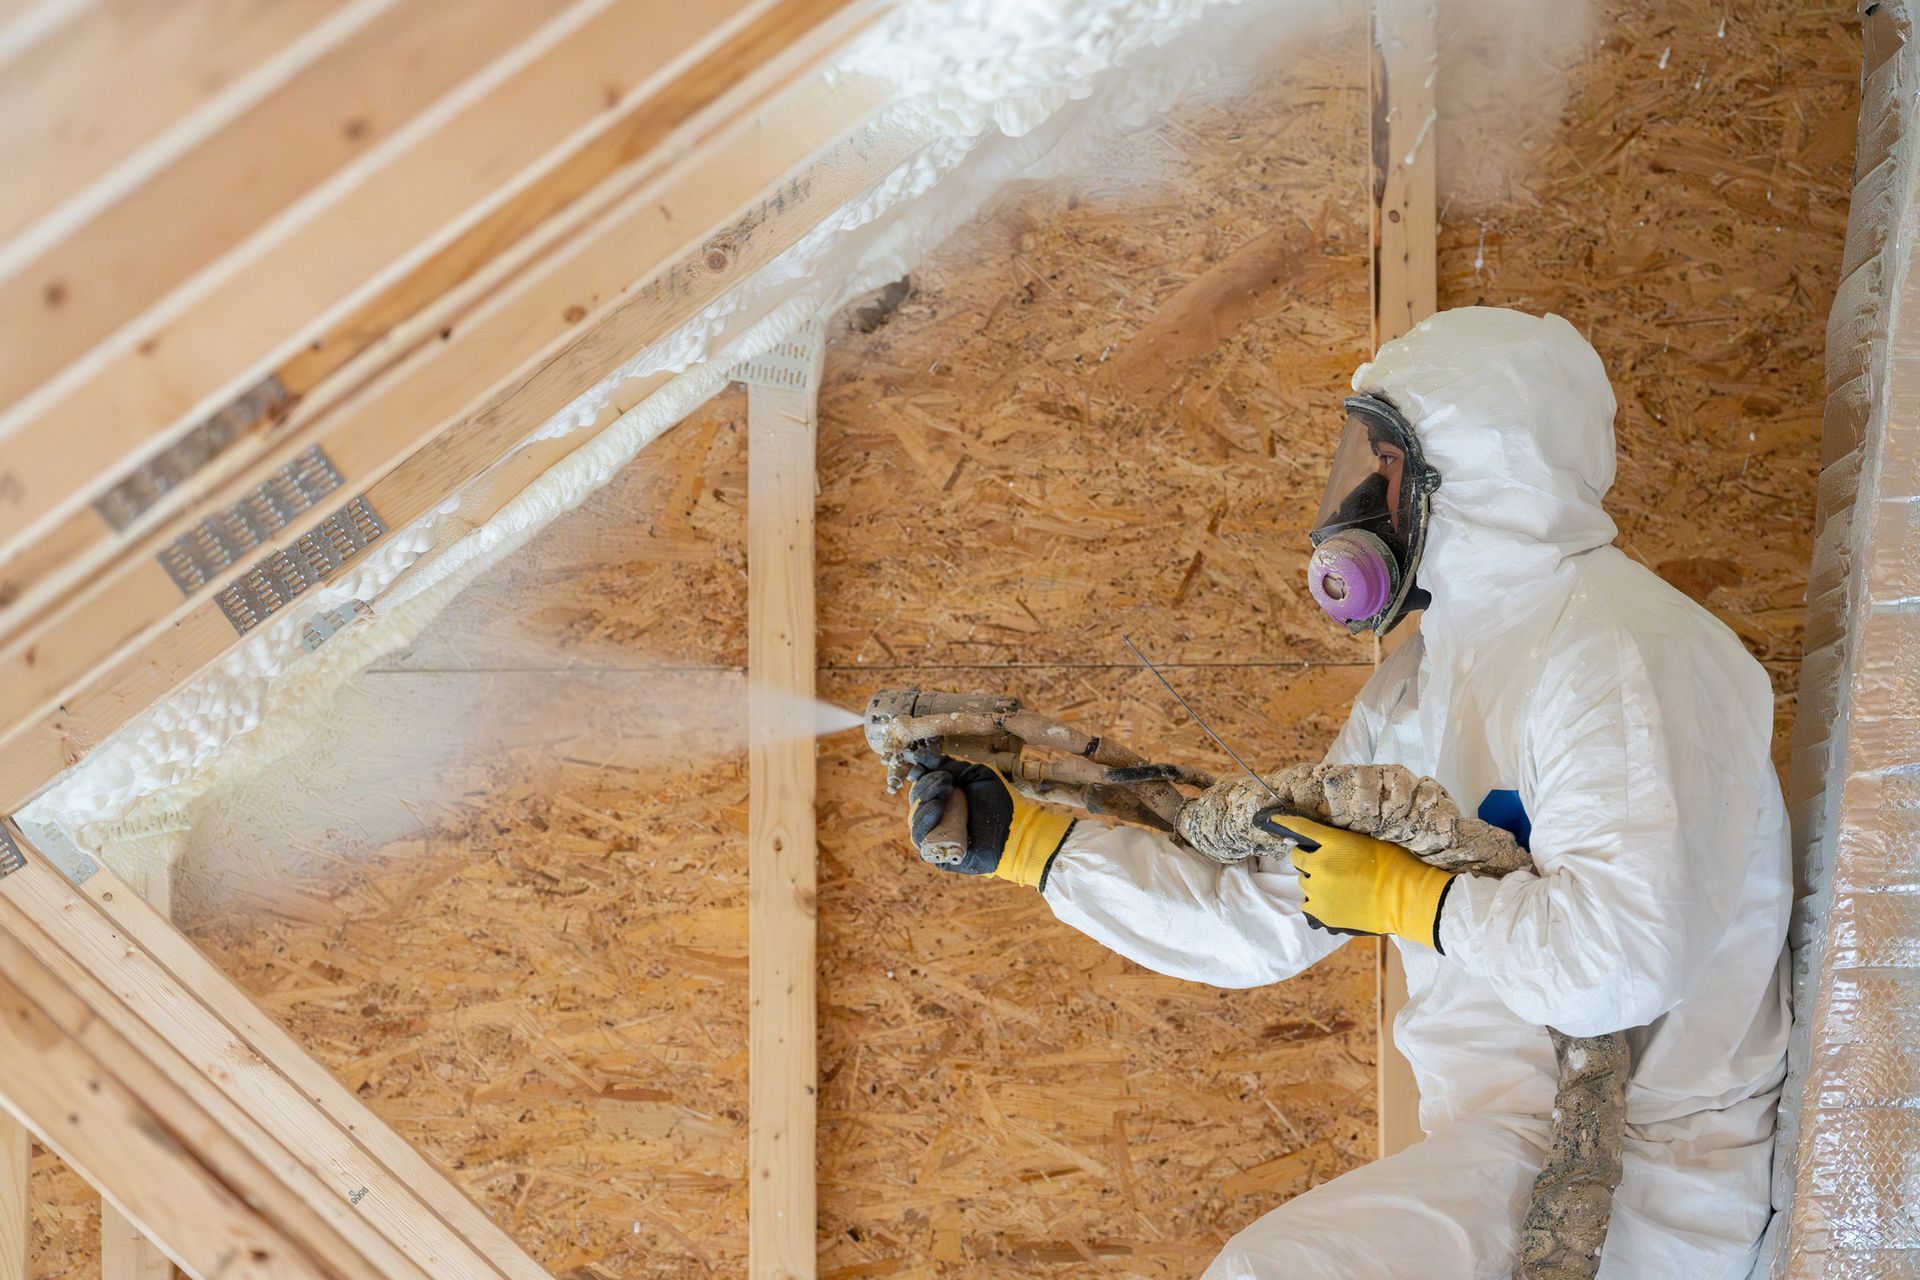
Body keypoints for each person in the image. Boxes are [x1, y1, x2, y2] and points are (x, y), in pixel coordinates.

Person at [899, 308, 1792, 1278]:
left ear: (1471, 472)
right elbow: (1270, 913)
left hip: (1642, 1178)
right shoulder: (1418, 679)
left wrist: (1423, 901)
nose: (1361, 496)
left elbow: (1625, 960)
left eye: (1385, 464)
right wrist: (1027, 844)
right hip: (1498, 1157)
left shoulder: (1620, 654)